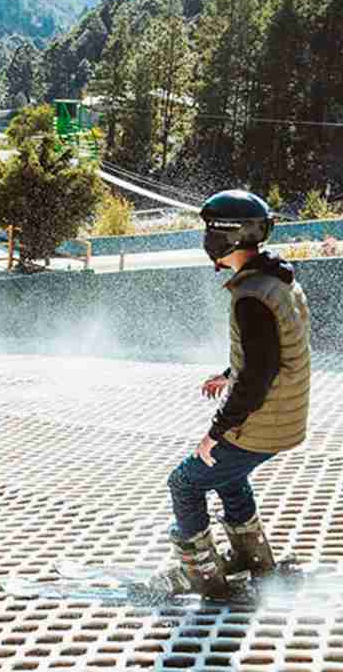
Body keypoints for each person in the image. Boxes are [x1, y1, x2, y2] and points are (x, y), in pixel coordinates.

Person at [150, 190, 311, 598]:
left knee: (185, 482)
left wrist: (216, 433)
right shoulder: (277, 281)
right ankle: (253, 558)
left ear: (227, 237)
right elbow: (274, 349)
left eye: (209, 230)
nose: (206, 239)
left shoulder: (250, 297)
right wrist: (228, 373)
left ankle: (202, 574)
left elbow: (258, 375)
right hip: (286, 416)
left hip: (263, 419)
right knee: (229, 476)